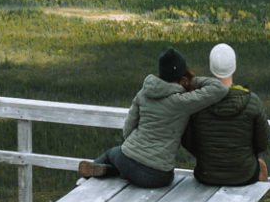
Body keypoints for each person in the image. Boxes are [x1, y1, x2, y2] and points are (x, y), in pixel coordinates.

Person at [78, 47, 228, 188]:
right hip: (157, 176)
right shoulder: (181, 101)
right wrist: (191, 79)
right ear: (183, 77)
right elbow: (220, 88)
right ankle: (113, 171)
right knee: (150, 172)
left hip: (127, 160)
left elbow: (128, 130)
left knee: (112, 153)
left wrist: (134, 152)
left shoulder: (143, 93)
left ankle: (85, 182)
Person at [180, 42, 270, 186]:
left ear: (211, 67)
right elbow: (262, 143)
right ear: (234, 67)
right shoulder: (252, 101)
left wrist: (207, 155)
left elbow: (188, 141)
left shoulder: (197, 101)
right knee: (262, 165)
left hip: (206, 175)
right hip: (243, 175)